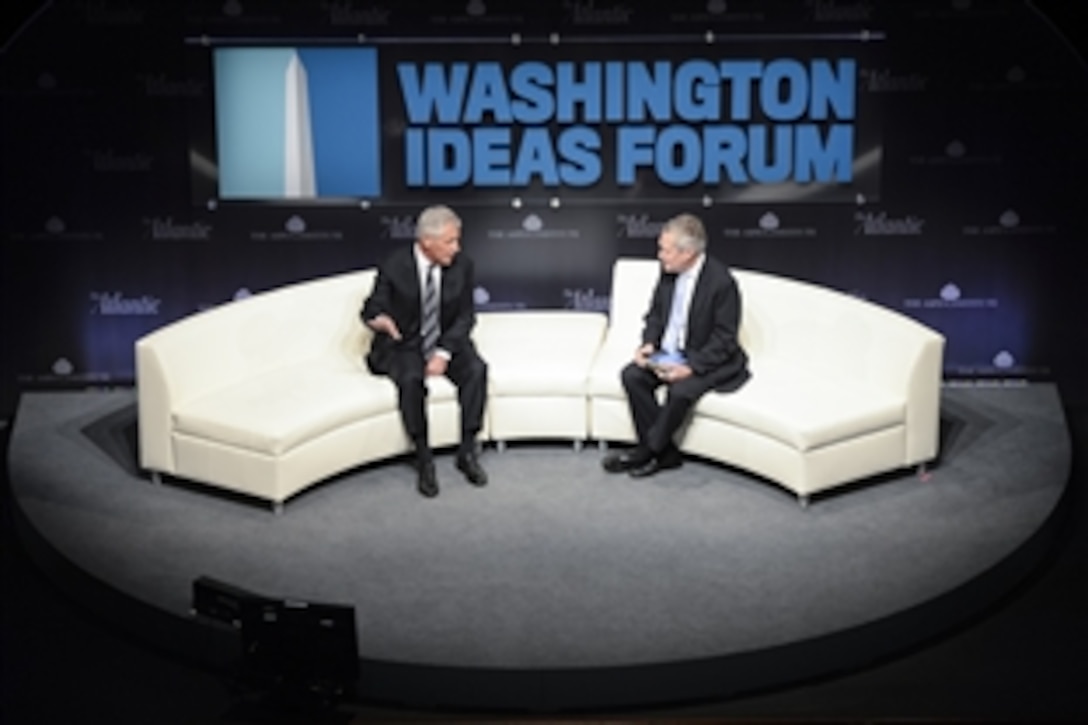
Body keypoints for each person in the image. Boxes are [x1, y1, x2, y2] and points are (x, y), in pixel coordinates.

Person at [602, 212, 750, 478]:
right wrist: (649, 343)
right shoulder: (669, 272)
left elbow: (725, 339)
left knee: (680, 392)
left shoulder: (722, 283)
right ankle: (666, 454)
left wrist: (692, 367)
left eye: (665, 250)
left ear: (688, 253)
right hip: (671, 353)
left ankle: (648, 451)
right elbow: (656, 314)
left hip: (710, 358)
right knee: (632, 375)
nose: (660, 255)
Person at [361, 205, 488, 498]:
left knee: (476, 371)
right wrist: (378, 320)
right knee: (410, 380)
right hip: (405, 342)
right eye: (450, 242)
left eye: (457, 240)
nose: (456, 248)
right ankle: (423, 457)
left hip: (446, 340)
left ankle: (467, 451)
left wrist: (443, 353)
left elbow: (466, 317)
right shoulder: (394, 265)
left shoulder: (462, 265)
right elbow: (372, 306)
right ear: (426, 242)